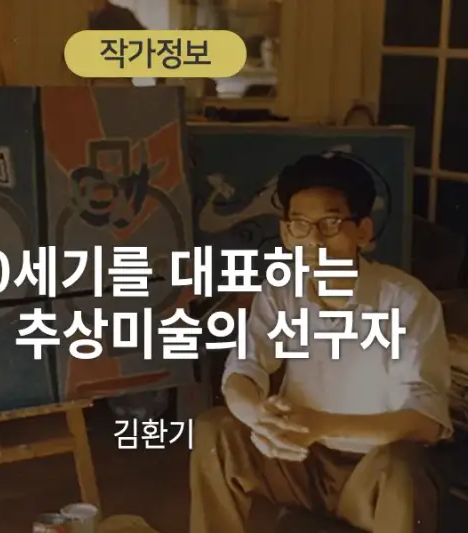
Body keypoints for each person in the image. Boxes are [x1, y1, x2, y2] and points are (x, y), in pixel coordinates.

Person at [190, 153, 452, 533]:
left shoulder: (408, 302)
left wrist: (322, 425)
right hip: (298, 459)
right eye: (300, 224)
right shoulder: (281, 290)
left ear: (363, 232)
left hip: (370, 472)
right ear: (286, 234)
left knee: (402, 468)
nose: (313, 239)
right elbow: (245, 369)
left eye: (331, 223)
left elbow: (425, 422)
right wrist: (260, 418)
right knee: (216, 430)